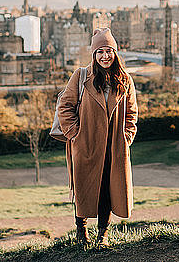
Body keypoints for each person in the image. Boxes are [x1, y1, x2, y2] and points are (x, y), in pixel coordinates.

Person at [57, 28, 138, 247]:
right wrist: (75, 134)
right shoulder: (81, 76)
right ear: (94, 54)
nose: (105, 56)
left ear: (115, 53)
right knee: (83, 187)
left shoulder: (125, 80)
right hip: (86, 144)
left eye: (109, 51)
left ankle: (102, 234)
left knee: (107, 191)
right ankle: (81, 230)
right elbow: (65, 106)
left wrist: (126, 137)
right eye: (100, 51)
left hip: (113, 146)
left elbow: (132, 113)